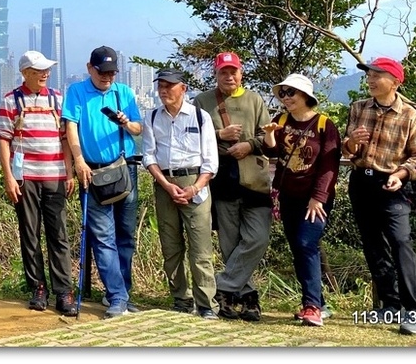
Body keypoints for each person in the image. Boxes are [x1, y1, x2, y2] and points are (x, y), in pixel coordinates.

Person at [343, 57, 416, 335]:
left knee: (401, 243)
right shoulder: (357, 108)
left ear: (394, 81)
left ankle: (414, 312)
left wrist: (400, 175)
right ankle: (389, 306)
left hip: (393, 184)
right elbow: (348, 150)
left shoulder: (412, 116)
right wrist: (353, 142)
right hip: (361, 183)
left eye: (376, 75)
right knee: (373, 245)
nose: (369, 79)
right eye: (368, 74)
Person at [61, 45, 143, 318]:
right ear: (89, 68)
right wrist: (78, 161)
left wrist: (125, 123)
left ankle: (124, 292)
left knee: (125, 235)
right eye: (102, 72)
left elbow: (138, 128)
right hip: (92, 173)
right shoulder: (77, 92)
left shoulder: (125, 93)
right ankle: (116, 295)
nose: (107, 78)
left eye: (111, 73)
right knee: (103, 236)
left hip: (124, 169)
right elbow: (70, 127)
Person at [0, 51, 78, 316]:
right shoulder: (11, 101)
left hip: (54, 175)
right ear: (25, 72)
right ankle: (37, 287)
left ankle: (63, 290)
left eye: (47, 70)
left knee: (59, 234)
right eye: (39, 70)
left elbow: (66, 137)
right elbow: (3, 140)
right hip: (26, 177)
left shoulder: (57, 99)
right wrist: (8, 176)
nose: (45, 74)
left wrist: (69, 171)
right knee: (29, 233)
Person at [193, 52, 270, 321]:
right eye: (223, 72)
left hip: (254, 180)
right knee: (229, 243)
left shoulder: (255, 100)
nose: (229, 77)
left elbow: (268, 137)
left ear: (241, 73)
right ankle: (247, 298)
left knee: (258, 238)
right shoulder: (203, 101)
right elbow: (191, 138)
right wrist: (219, 136)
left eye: (233, 71)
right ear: (216, 74)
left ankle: (222, 286)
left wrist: (249, 145)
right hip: (222, 180)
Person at [261, 73, 340, 327]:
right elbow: (270, 151)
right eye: (282, 93)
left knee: (306, 243)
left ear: (305, 95)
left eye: (290, 93)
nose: (286, 98)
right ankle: (318, 302)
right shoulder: (281, 120)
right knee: (299, 247)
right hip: (288, 195)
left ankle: (312, 307)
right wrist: (271, 135)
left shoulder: (324, 125)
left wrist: (318, 198)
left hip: (315, 198)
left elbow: (329, 165)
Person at [141, 69, 219, 319]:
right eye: (161, 86)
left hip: (195, 183)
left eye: (169, 86)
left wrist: (195, 187)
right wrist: (166, 184)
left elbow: (211, 161)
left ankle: (206, 304)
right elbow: (149, 156)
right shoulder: (152, 117)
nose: (164, 90)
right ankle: (180, 299)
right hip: (165, 183)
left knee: (200, 248)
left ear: (183, 88)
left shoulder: (200, 116)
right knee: (170, 246)